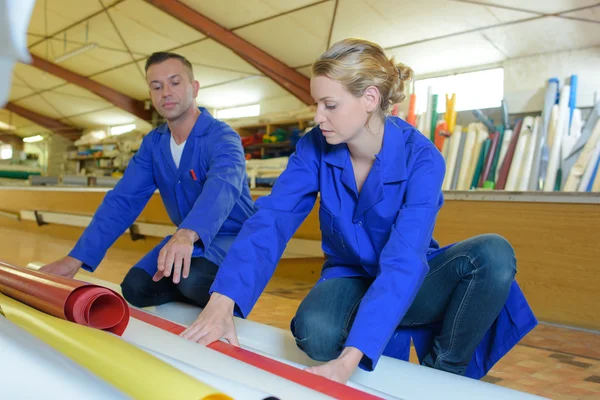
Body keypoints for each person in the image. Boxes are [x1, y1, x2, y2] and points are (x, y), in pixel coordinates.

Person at [179, 38, 537, 383]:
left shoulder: (423, 158)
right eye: (316, 103)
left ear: (369, 98)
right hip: (349, 275)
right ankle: (382, 321)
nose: (318, 116)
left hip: (410, 274)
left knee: (493, 253)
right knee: (314, 334)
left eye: (329, 105)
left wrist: (348, 362)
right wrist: (222, 300)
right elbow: (271, 219)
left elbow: (403, 260)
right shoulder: (314, 146)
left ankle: (442, 373)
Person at [40, 52, 253, 322]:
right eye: (156, 86)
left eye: (175, 83)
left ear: (194, 88)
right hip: (187, 241)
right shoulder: (153, 145)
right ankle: (192, 285)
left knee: (193, 279)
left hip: (233, 238)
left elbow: (222, 187)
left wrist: (186, 235)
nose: (166, 92)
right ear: (150, 96)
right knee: (136, 288)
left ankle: (223, 292)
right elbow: (122, 201)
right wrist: (76, 259)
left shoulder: (222, 137)